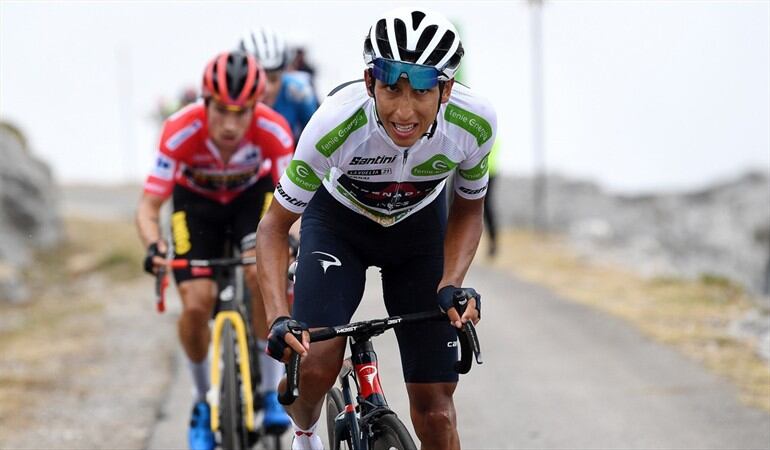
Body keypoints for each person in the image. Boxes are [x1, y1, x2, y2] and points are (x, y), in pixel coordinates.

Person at [255, 7, 496, 450]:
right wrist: (277, 316)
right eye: (391, 89)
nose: (404, 111)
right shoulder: (334, 123)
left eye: (421, 92)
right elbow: (274, 227)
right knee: (315, 367)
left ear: (445, 90)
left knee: (438, 413)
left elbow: (468, 206)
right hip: (339, 226)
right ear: (369, 83)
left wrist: (452, 282)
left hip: (419, 233)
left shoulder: (474, 124)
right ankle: (305, 435)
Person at [136, 50, 294, 450]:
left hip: (250, 203)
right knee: (195, 303)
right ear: (204, 101)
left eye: (242, 112)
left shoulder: (274, 130)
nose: (230, 124)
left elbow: (296, 204)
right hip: (197, 207)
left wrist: (294, 241)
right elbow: (149, 205)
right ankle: (203, 403)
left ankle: (266, 389)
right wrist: (154, 244)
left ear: (256, 107)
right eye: (221, 110)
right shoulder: (179, 129)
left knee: (259, 274)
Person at [239, 27, 319, 141]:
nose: (266, 89)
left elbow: (317, 140)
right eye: (257, 79)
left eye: (273, 79)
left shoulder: (299, 93)